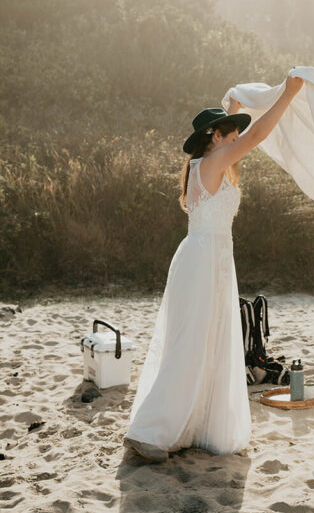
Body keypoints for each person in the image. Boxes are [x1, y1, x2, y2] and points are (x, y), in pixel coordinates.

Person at [124, 74, 304, 462]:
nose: (236, 139)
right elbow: (254, 139)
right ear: (215, 137)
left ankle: (191, 427)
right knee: (191, 343)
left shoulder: (204, 164)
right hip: (205, 259)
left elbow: (238, 141)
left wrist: (233, 112)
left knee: (207, 341)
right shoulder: (212, 161)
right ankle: (151, 432)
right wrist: (287, 96)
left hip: (209, 257)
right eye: (230, 133)